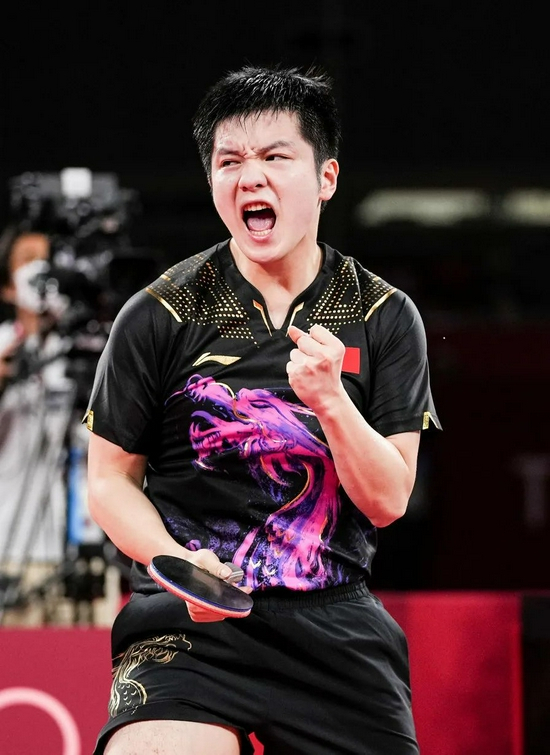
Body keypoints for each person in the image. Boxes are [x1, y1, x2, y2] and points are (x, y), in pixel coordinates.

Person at [85, 65, 441, 755]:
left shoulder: (383, 315)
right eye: (230, 162)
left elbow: (388, 500)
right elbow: (109, 480)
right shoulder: (160, 313)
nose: (251, 177)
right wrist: (178, 564)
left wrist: (331, 402)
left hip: (332, 627)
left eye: (276, 157)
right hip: (190, 626)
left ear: (326, 178)